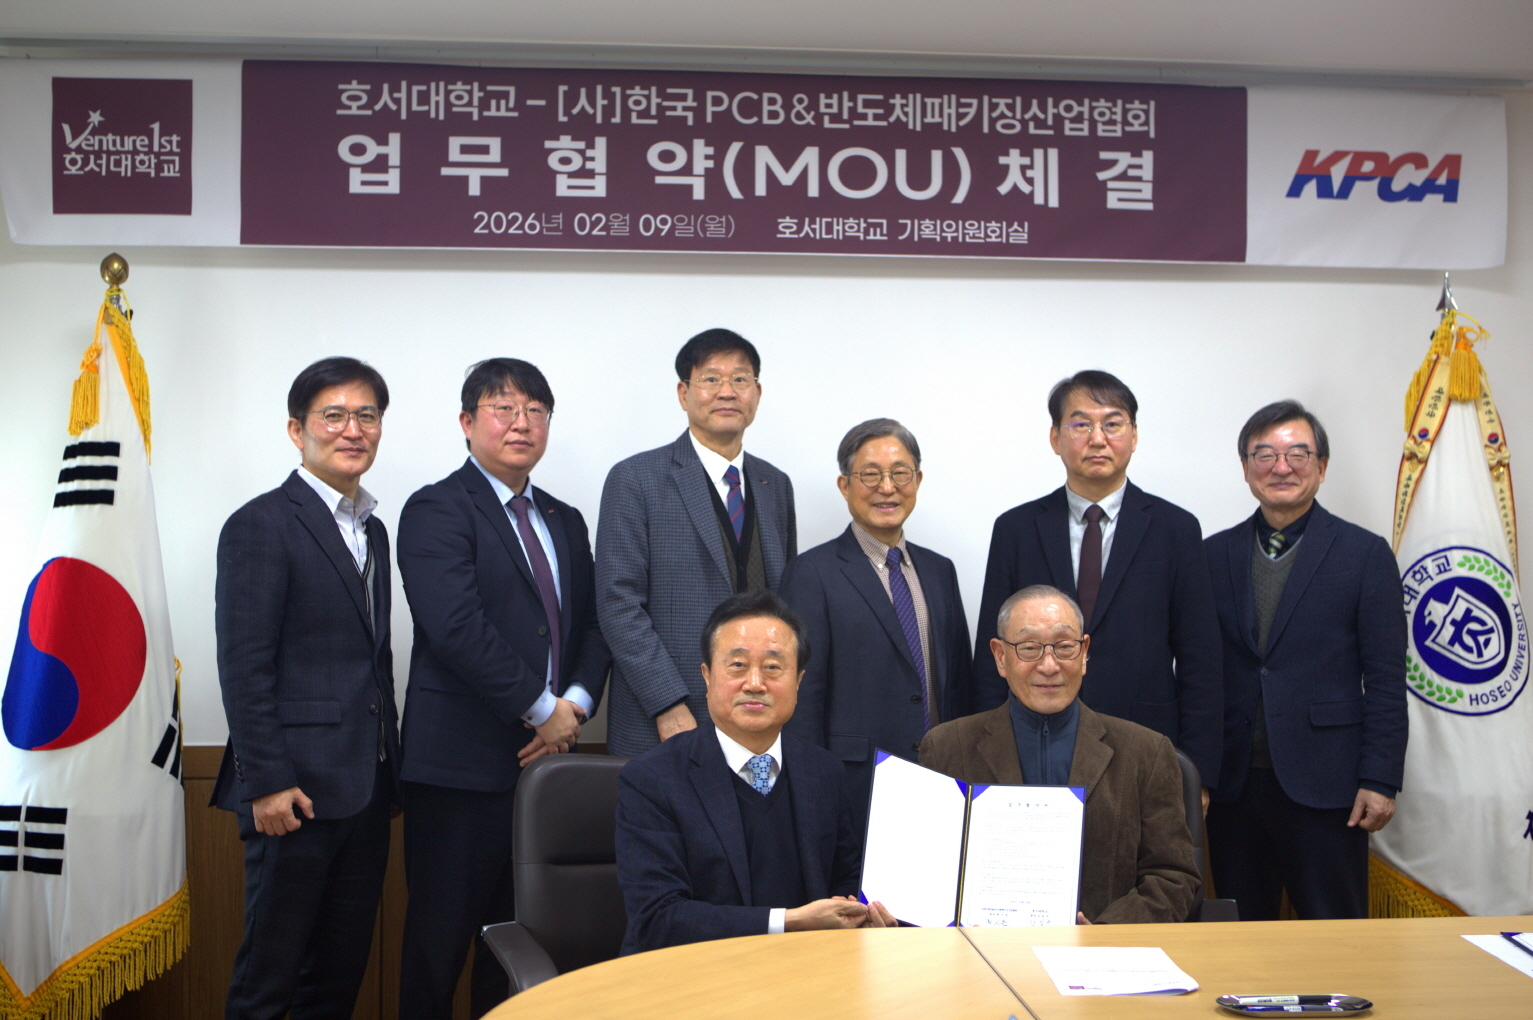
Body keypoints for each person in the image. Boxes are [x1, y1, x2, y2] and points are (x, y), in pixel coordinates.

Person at [395, 359, 610, 1018]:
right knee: (437, 947)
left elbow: (593, 627)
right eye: (503, 409)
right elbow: (455, 627)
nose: (522, 423)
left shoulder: (565, 519)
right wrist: (542, 710)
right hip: (458, 772)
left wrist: (573, 707)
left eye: (535, 411)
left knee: (518, 947)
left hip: (545, 772)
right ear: (467, 422)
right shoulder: (436, 508)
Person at [212, 356, 399, 1020]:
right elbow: (244, 665)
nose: (353, 429)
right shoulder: (260, 524)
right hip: (292, 795)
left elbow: (371, 661)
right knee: (269, 981)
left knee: (336, 982)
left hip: (365, 791)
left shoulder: (373, 529)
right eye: (334, 415)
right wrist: (266, 781)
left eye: (367, 415)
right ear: (297, 430)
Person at [971, 370, 1223, 803]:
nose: (1098, 439)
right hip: (1033, 744)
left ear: (1134, 435)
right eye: (1081, 424)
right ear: (1055, 438)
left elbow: (1200, 660)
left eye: (1112, 423)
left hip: (1145, 744)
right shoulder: (1016, 529)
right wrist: (985, 760)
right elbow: (991, 656)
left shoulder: (1175, 529)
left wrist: (1197, 773)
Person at [1204, 400, 1406, 920]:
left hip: (1329, 784)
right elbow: (1199, 673)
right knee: (1241, 935)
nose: (1282, 467)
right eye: (1264, 454)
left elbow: (1386, 677)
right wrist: (1197, 771)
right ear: (1246, 467)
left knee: (1335, 933)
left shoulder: (1364, 554)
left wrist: (1380, 778)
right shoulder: (1211, 555)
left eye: (1298, 454)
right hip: (1233, 786)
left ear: (1322, 466)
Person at [615, 589, 894, 954]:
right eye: (738, 665)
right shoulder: (652, 779)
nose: (755, 683)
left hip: (808, 970)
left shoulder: (824, 772)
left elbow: (848, 883)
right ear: (707, 676)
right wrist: (790, 922)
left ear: (798, 681)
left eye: (773, 667)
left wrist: (865, 915)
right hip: (694, 975)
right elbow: (657, 920)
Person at [922, 585, 1201, 924]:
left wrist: (1104, 934)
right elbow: (926, 872)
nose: (1049, 665)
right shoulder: (946, 748)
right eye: (1029, 648)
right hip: (980, 948)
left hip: (1104, 951)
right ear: (1000, 657)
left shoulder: (1146, 752)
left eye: (1065, 646)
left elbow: (1173, 877)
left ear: (1084, 653)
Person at [598, 328, 796, 757]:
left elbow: (784, 603)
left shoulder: (775, 484)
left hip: (758, 716)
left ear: (757, 393)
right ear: (683, 393)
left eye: (740, 379)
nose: (727, 391)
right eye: (711, 379)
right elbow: (618, 604)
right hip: (666, 717)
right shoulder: (635, 479)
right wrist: (666, 703)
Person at [779, 418, 971, 813]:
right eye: (870, 474)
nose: (887, 487)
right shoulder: (811, 573)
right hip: (853, 785)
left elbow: (959, 685)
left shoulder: (940, 571)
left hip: (941, 781)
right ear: (844, 485)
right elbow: (802, 697)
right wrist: (811, 793)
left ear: (917, 480)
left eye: (900, 473)